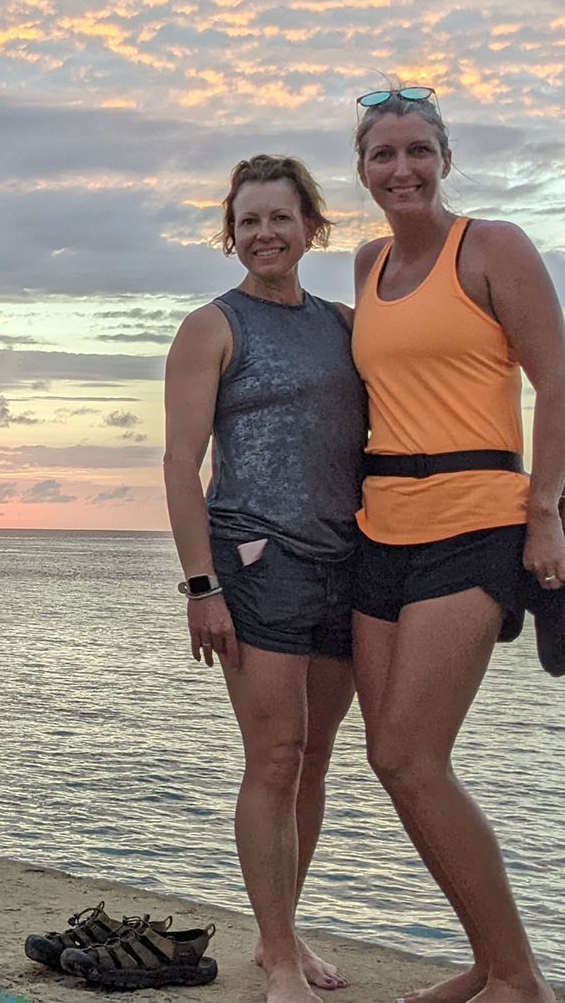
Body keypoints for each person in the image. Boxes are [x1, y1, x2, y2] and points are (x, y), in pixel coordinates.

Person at [348, 85, 565, 1003]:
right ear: (361, 170)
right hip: (378, 530)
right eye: (382, 155)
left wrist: (544, 513)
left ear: (444, 159)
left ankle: (520, 978)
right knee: (388, 763)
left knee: (413, 755)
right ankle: (488, 962)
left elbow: (557, 382)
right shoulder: (364, 264)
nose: (400, 169)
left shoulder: (492, 247)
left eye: (417, 151)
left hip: (477, 523)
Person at [163, 155, 367, 1003]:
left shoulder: (348, 326)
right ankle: (280, 956)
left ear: (312, 227)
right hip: (255, 568)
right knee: (274, 756)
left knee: (315, 758)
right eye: (249, 221)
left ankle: (280, 932)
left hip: (348, 564)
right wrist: (201, 586)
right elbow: (181, 462)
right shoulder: (213, 327)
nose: (264, 234)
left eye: (280, 218)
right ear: (231, 234)